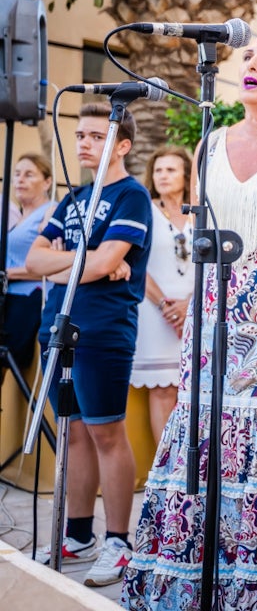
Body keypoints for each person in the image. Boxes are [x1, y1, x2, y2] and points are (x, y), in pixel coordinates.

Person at [124, 33, 257, 610]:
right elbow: (200, 242)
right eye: (249, 55)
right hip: (215, 317)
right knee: (208, 436)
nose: (252, 62)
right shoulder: (209, 144)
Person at [25, 103, 153, 587]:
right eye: (79, 135)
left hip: (103, 329)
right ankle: (77, 534)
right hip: (57, 325)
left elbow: (103, 267)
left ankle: (118, 540)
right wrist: (90, 258)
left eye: (96, 136)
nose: (82, 143)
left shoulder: (131, 197)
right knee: (72, 432)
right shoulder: (72, 198)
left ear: (121, 145)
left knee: (105, 432)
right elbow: (34, 259)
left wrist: (86, 261)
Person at [132, 145, 194, 443]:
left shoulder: (202, 213)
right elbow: (134, 263)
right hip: (154, 310)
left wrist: (189, 306)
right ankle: (164, 472)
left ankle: (192, 472)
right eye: (158, 170)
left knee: (194, 388)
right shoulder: (145, 210)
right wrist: (166, 306)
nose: (163, 176)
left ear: (187, 174)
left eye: (171, 169)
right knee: (163, 390)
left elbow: (215, 265)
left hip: (197, 311)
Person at [4, 152, 56, 370]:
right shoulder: (18, 216)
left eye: (28, 175)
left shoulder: (50, 211)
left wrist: (8, 274)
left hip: (31, 298)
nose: (20, 180)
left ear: (47, 182)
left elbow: (53, 263)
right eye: (17, 174)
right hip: (10, 298)